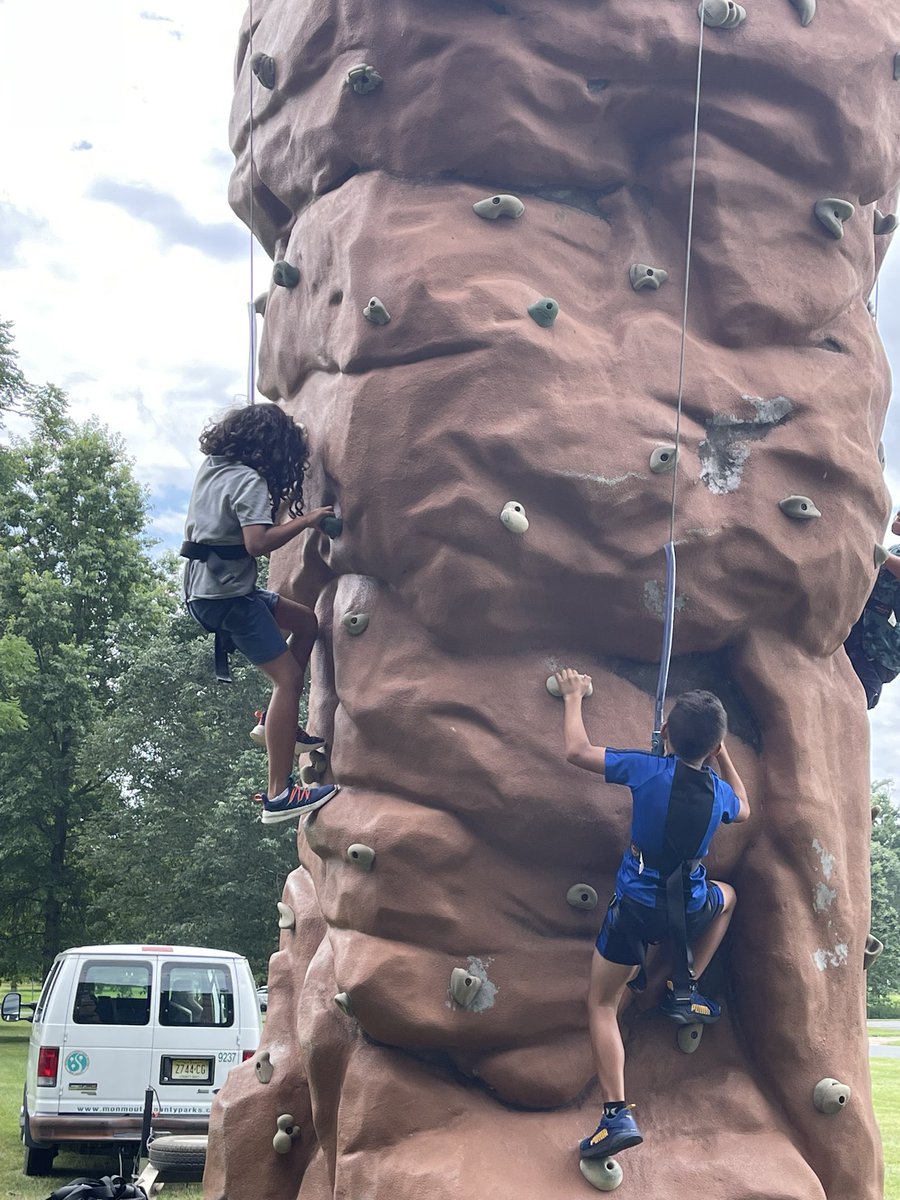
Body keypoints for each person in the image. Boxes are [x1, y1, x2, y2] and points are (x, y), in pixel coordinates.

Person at [555, 670, 750, 1160]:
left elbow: (577, 751)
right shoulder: (718, 793)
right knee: (728, 896)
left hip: (636, 911)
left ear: (665, 733)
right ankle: (686, 988)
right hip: (690, 906)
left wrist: (574, 696)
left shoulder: (647, 770)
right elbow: (744, 808)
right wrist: (721, 755)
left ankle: (615, 1114)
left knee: (602, 1003)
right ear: (714, 746)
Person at [182, 403, 340, 824]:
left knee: (306, 622)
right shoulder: (249, 480)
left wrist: (283, 501)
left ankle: (274, 720)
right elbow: (257, 543)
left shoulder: (214, 468)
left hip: (211, 589)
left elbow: (235, 524)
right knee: (287, 680)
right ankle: (278, 794)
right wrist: (307, 520)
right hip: (228, 598)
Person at [843, 510, 900, 709]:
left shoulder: (889, 554)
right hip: (858, 631)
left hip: (880, 648)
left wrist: (879, 553)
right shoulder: (895, 550)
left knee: (854, 701)